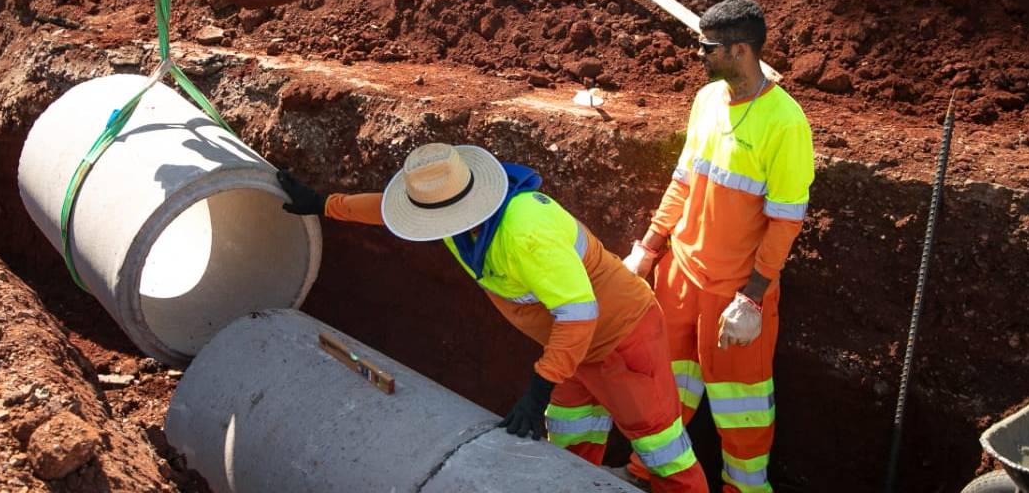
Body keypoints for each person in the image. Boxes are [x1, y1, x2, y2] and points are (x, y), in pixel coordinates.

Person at [277, 143, 708, 493]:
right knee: (571, 434)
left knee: (661, 452)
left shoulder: (524, 232)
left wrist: (539, 387)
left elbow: (579, 313)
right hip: (572, 346)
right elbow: (389, 213)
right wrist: (324, 204)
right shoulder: (457, 218)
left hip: (620, 338)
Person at [623, 0, 814, 493]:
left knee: (742, 408)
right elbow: (682, 182)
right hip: (681, 274)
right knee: (662, 386)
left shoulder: (786, 122)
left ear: (740, 51)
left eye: (708, 47)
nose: (700, 54)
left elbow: (785, 222)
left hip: (734, 293)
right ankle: (649, 477)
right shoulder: (707, 99)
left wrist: (752, 297)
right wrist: (648, 248)